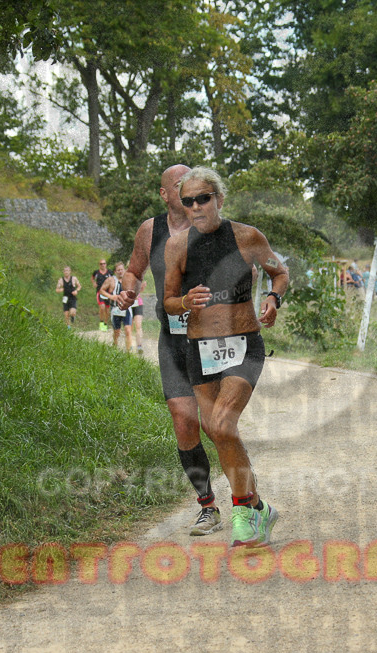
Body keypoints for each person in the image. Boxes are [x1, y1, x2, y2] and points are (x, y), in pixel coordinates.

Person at [162, 166, 289, 548]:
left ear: (219, 198)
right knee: (218, 432)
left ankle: (243, 512)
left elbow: (278, 273)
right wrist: (183, 301)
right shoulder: (176, 246)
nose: (196, 206)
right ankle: (258, 507)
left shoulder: (247, 236)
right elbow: (168, 302)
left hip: (243, 343)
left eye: (203, 198)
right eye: (188, 201)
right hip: (199, 351)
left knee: (222, 423)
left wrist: (273, 298)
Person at [116, 164, 226, 536]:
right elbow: (134, 269)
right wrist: (128, 289)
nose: (186, 188)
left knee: (216, 426)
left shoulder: (210, 224)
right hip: (172, 338)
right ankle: (207, 506)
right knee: (183, 421)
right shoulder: (151, 230)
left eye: (190, 182)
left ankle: (248, 495)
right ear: (165, 194)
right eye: (178, 184)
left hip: (209, 338)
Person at [101, 262, 134, 351]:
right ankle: (115, 345)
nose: (120, 272)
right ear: (115, 271)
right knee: (117, 332)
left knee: (127, 329)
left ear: (125, 270)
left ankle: (129, 352)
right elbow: (102, 290)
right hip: (115, 309)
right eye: (118, 270)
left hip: (126, 308)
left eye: (121, 270)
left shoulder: (129, 280)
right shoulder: (111, 280)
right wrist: (111, 296)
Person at [92, 259, 113, 331]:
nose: (103, 265)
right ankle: (101, 322)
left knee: (107, 310)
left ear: (106, 264)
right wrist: (94, 283)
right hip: (100, 292)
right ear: (99, 265)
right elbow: (92, 278)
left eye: (104, 263)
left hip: (108, 293)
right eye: (101, 264)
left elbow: (113, 280)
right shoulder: (96, 272)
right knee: (102, 307)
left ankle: (105, 324)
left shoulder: (110, 272)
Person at [131, 277, 146, 356]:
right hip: (128, 304)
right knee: (129, 326)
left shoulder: (139, 277)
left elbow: (140, 290)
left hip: (138, 303)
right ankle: (130, 344)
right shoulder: (126, 277)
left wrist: (142, 287)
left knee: (138, 325)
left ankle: (139, 346)